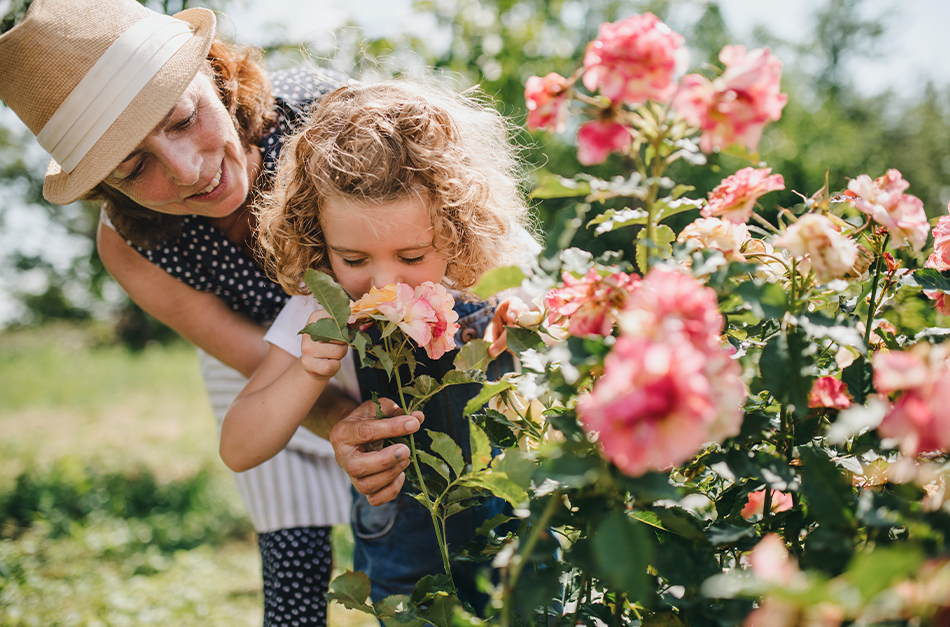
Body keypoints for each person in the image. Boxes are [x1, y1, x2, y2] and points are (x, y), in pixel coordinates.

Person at [0, 1, 421, 624]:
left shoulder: (332, 122)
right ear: (103, 186)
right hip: (261, 363)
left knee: (421, 533)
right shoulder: (130, 243)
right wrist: (338, 421)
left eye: (182, 118)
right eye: (133, 167)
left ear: (215, 74)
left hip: (391, 327)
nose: (189, 171)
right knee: (293, 573)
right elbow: (252, 357)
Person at [218, 79, 537, 610]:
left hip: (512, 524)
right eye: (354, 259)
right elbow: (239, 445)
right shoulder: (321, 308)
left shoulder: (486, 275)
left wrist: (528, 328)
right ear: (318, 239)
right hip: (399, 540)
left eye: (411, 258)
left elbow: (565, 355)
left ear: (456, 225)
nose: (382, 282)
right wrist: (308, 370)